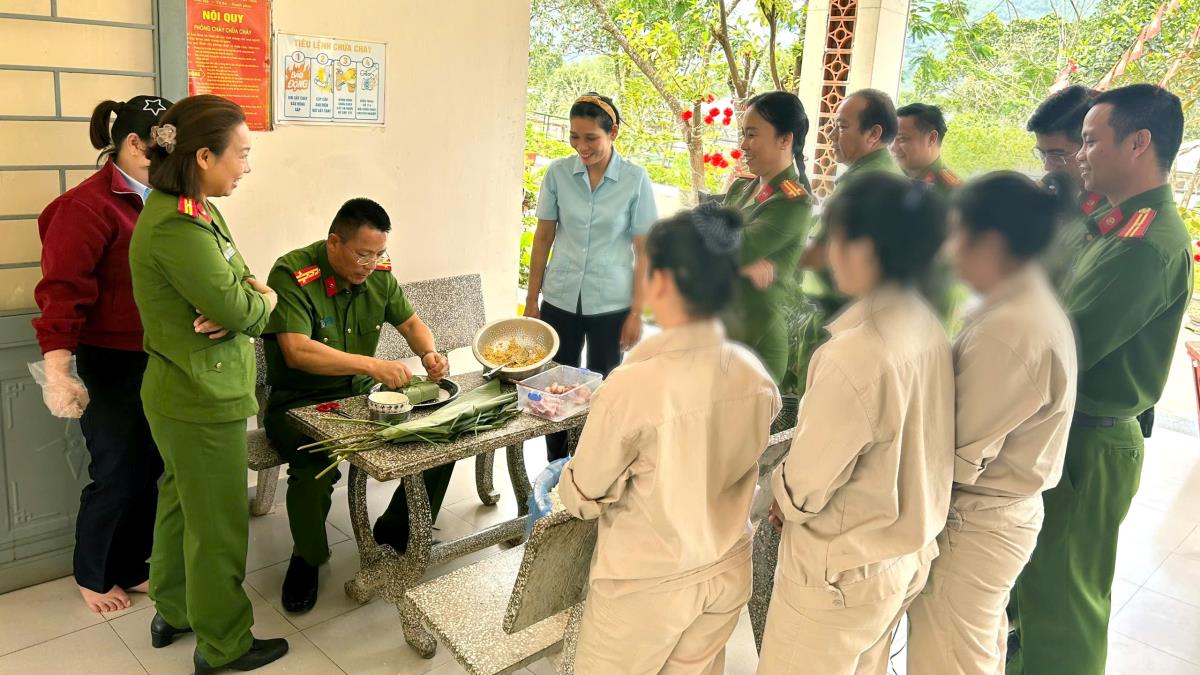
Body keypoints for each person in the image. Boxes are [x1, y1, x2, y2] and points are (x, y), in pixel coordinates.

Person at [1007, 84, 1191, 675]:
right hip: (1065, 431)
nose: (1078, 156)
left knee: (1063, 609)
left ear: (1139, 143)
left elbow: (1057, 347)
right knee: (1030, 596)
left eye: (1088, 142)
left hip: (1089, 442)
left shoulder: (1143, 244)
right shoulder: (1107, 224)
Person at [559, 203, 781, 674]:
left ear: (661, 281)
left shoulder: (632, 386)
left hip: (647, 586)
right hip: (726, 571)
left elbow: (585, 493)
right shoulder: (755, 376)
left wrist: (569, 482)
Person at [759, 173, 954, 674]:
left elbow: (806, 487)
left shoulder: (855, 354)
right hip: (899, 558)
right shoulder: (926, 323)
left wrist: (779, 497)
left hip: (840, 575)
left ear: (867, 248)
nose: (827, 253)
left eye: (834, 237)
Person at [128, 94, 288, 673]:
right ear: (203, 156)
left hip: (185, 390)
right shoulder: (178, 226)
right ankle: (224, 644)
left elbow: (242, 283)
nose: (247, 166)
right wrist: (259, 302)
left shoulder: (196, 210)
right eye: (240, 154)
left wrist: (245, 299)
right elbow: (247, 308)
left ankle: (173, 609)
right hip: (198, 397)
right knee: (217, 524)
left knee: (181, 506)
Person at [906, 172, 1078, 674]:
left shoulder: (1013, 329)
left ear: (993, 241)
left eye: (957, 234)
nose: (948, 252)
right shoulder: (1015, 305)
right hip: (991, 516)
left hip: (978, 522)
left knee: (949, 660)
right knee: (972, 651)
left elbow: (953, 453)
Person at [261, 198, 451, 613]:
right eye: (363, 254)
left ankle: (397, 531)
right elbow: (296, 350)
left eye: (379, 253)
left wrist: (429, 353)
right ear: (334, 242)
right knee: (314, 466)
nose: (372, 264)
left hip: (361, 394)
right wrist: (371, 365)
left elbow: (410, 323)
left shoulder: (379, 273)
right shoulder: (294, 273)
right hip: (300, 401)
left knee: (440, 434)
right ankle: (307, 557)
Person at [30, 95, 172, 614]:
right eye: (165, 150)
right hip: (110, 360)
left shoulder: (167, 197)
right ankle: (92, 573)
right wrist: (59, 371)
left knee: (150, 465)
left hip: (159, 355)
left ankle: (132, 564)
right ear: (133, 143)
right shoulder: (86, 207)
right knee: (116, 470)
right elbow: (61, 294)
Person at [524, 92, 658, 461]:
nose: (581, 146)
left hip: (611, 304)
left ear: (612, 133)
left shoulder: (634, 179)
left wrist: (636, 313)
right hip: (560, 297)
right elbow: (543, 237)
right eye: (574, 137)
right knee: (554, 387)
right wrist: (532, 300)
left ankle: (594, 466)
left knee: (603, 389)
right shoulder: (558, 173)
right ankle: (556, 465)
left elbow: (644, 251)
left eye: (591, 138)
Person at [720, 91, 814, 384]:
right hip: (721, 331)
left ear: (785, 139)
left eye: (752, 135)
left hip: (758, 343)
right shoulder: (741, 188)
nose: (743, 145)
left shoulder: (793, 201)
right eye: (743, 135)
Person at [1026, 85, 1104, 288]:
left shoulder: (1113, 219)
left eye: (1057, 155)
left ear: (1090, 148)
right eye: (1043, 154)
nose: (1047, 166)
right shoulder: (1060, 203)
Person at [892, 103, 962, 195]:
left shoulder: (953, 192)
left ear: (931, 138)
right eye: (891, 139)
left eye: (902, 139)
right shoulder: (890, 177)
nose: (893, 148)